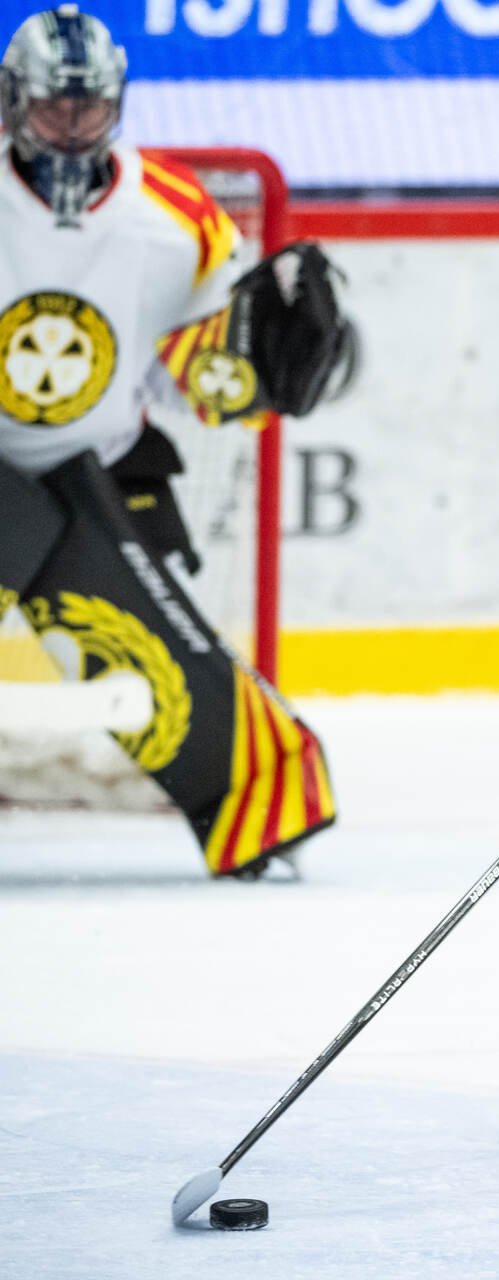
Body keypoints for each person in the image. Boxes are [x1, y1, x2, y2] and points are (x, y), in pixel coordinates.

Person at [0, 6, 350, 877]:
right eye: (55, 109)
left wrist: (267, 368)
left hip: (97, 473)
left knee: (195, 698)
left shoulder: (178, 214)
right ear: (15, 104)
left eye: (90, 109)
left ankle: (256, 807)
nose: (74, 128)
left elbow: (197, 381)